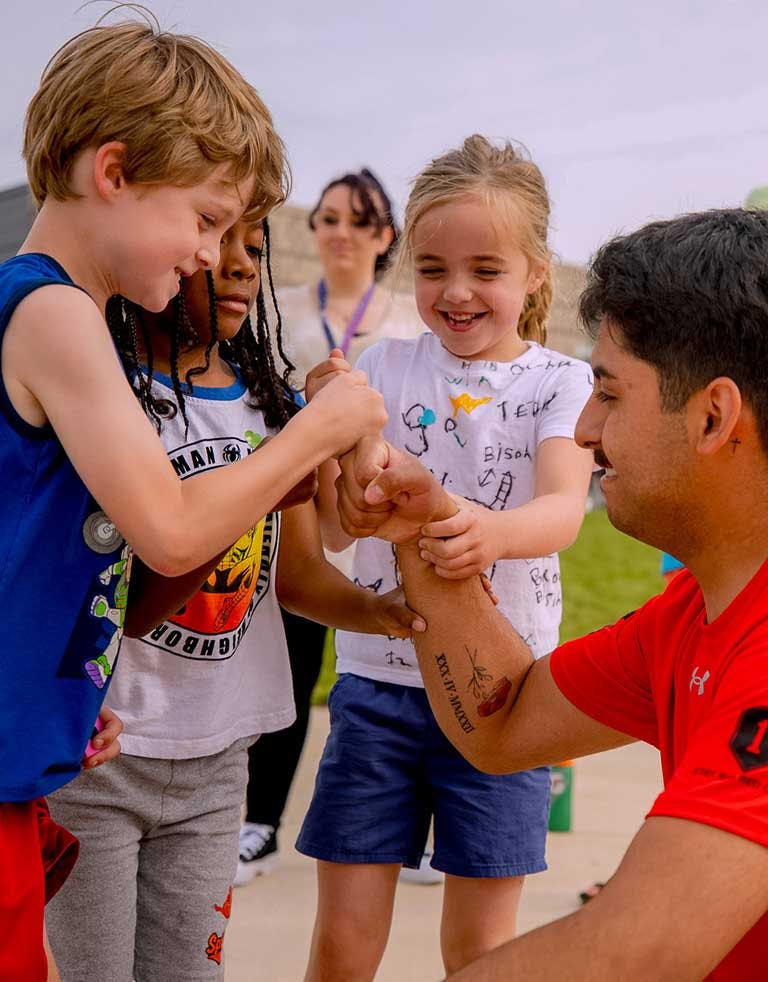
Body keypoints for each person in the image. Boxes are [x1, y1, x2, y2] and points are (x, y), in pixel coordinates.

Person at [0, 17, 386, 981]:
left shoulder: (54, 311)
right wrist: (313, 432)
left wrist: (67, 689)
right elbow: (171, 534)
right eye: (207, 218)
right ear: (115, 172)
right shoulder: (53, 312)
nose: (214, 254)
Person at [337, 207, 768, 981]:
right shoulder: (689, 614)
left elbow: (638, 952)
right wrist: (422, 528)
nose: (588, 430)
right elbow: (503, 726)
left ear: (714, 416)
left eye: (607, 392)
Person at [44, 215, 425, 982]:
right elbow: (133, 574)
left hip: (218, 761)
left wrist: (379, 612)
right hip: (101, 761)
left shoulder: (268, 406)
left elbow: (299, 577)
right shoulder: (104, 391)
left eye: (255, 249)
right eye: (221, 244)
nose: (243, 267)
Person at [296, 135, 594, 981]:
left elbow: (563, 510)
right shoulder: (382, 367)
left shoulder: (560, 382)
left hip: (503, 694)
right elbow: (341, 532)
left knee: (480, 950)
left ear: (537, 272)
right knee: (345, 944)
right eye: (432, 270)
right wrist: (343, 473)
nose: (456, 293)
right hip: (379, 690)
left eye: (486, 270)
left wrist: (490, 534)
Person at [238, 168, 425, 884]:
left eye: (360, 220)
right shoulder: (277, 308)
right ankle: (260, 823)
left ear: (383, 238)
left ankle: (418, 826)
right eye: (329, 218)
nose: (341, 232)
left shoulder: (411, 323)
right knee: (289, 665)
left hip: (380, 519)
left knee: (403, 670)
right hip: (294, 516)